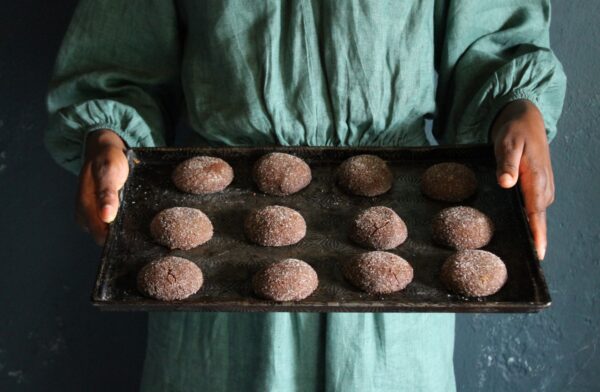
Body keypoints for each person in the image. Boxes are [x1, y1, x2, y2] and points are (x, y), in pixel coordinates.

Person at [45, 1, 566, 391]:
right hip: (219, 243)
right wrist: (107, 136)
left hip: (398, 243)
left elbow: (493, 41)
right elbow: (118, 61)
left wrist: (516, 106)